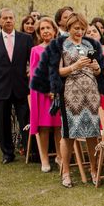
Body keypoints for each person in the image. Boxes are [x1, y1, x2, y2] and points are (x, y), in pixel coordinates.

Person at [31, 13, 104, 187]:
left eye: (82, 28)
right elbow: (56, 71)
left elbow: (98, 71)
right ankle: (65, 172)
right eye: (76, 28)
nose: (79, 32)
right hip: (71, 94)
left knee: (93, 133)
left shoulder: (91, 44)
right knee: (68, 134)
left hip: (91, 93)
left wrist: (96, 68)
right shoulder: (60, 45)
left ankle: (94, 170)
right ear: (68, 27)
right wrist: (74, 66)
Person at [0, 8, 33, 164]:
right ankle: (7, 153)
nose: (8, 20)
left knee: (25, 121)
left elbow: (32, 63)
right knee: (3, 123)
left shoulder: (25, 39)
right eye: (4, 18)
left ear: (14, 19)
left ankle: (28, 150)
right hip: (0, 89)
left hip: (21, 88)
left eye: (10, 18)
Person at [29, 17, 62, 172]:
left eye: (48, 27)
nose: (46, 31)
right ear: (39, 33)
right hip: (42, 93)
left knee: (59, 126)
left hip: (59, 92)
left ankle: (60, 156)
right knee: (44, 127)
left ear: (55, 30)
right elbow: (35, 74)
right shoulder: (35, 50)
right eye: (42, 29)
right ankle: (44, 159)